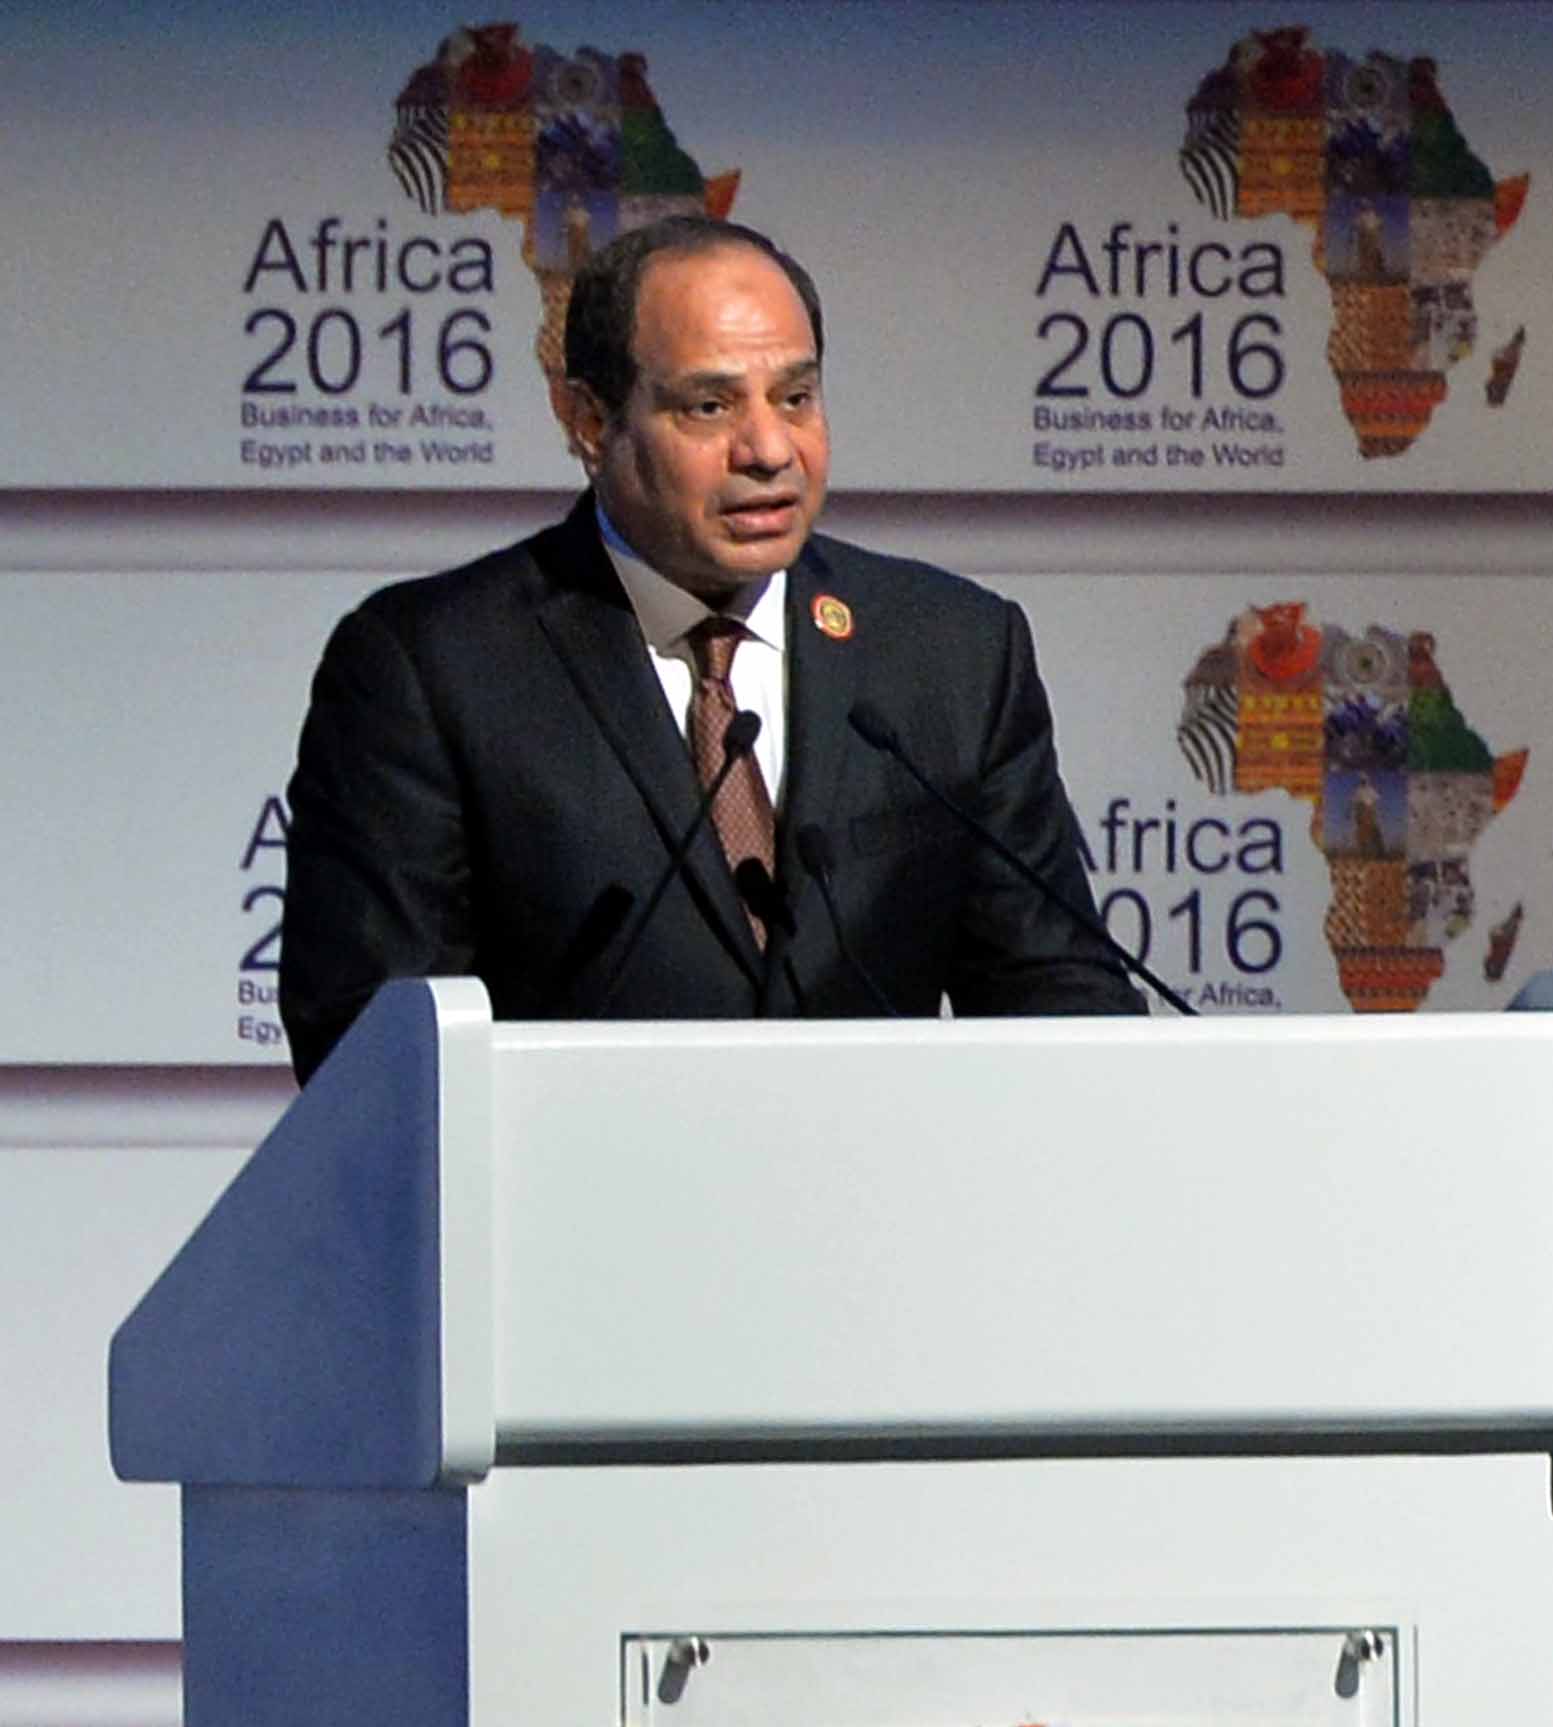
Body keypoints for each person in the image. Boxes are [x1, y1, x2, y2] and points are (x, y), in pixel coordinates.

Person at [279, 215, 1144, 1080]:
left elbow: (1062, 1002)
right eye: (710, 406)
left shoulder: (951, 653)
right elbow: (371, 1055)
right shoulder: (432, 669)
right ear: (589, 420)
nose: (769, 450)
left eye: (795, 398)